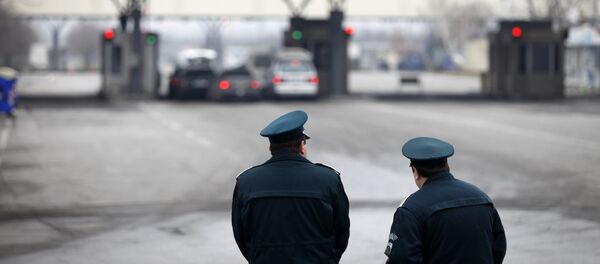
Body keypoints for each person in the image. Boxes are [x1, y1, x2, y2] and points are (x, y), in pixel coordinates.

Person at [231, 110, 350, 264]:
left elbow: (240, 235)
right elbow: (342, 232)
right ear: (301, 146)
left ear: (271, 149)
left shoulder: (246, 182)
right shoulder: (329, 179)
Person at [384, 137, 506, 264]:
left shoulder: (411, 209)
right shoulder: (481, 198)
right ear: (447, 166)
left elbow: (402, 259)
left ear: (416, 173)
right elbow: (498, 248)